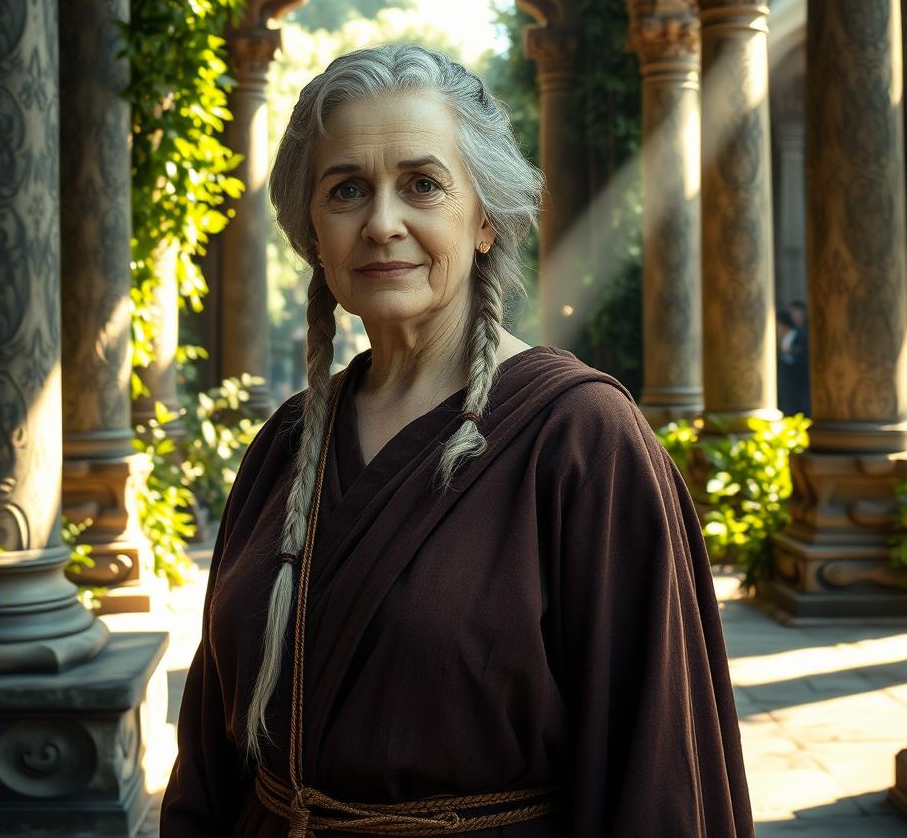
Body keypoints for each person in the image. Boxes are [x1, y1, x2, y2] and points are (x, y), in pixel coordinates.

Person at [161, 45, 753, 838]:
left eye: (422, 184)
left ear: (483, 219)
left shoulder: (583, 442)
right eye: (346, 190)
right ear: (315, 230)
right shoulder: (286, 447)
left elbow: (656, 770)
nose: (380, 222)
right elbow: (209, 748)